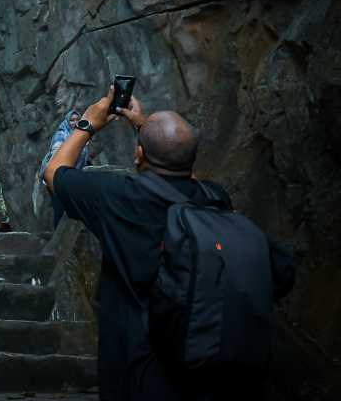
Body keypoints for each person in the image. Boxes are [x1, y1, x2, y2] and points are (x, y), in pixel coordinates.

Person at [42, 86, 294, 401]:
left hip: (143, 370)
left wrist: (89, 124)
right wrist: (144, 125)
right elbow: (187, 176)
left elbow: (54, 173)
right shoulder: (214, 197)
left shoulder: (118, 197)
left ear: (138, 154)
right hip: (213, 364)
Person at [39, 107, 91, 228]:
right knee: (60, 208)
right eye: (72, 120)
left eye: (77, 119)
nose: (75, 122)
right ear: (67, 122)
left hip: (70, 177)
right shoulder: (61, 134)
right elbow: (57, 151)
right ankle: (57, 241)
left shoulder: (81, 135)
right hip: (55, 176)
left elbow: (83, 157)